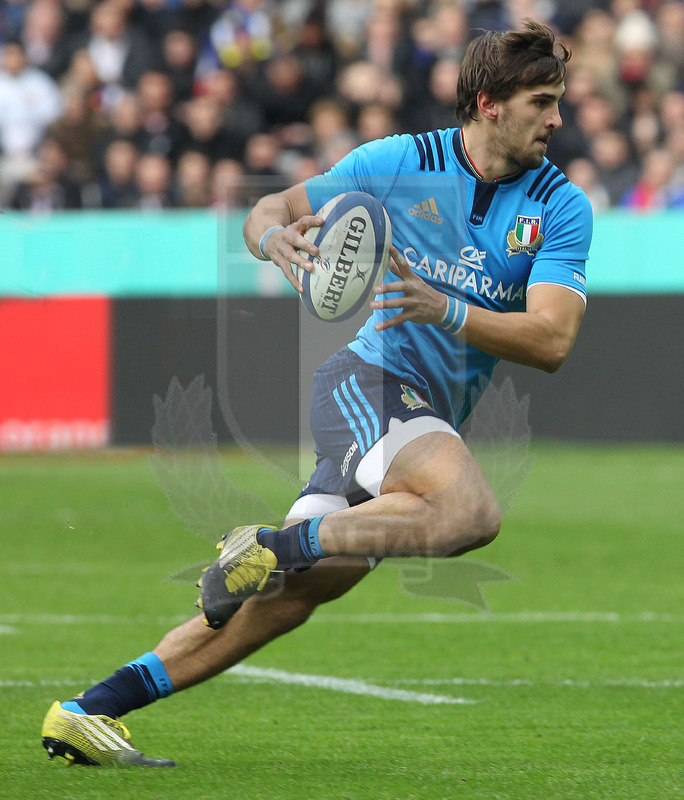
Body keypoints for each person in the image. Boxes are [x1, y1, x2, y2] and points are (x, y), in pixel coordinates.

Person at [41, 19, 591, 767]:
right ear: (490, 103)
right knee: (468, 514)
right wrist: (275, 240)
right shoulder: (400, 162)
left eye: (558, 101)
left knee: (286, 599)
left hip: (420, 419)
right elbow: (268, 210)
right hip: (366, 385)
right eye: (542, 101)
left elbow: (552, 341)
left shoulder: (561, 206)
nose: (557, 118)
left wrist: (445, 309)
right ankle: (269, 545)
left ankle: (87, 712)